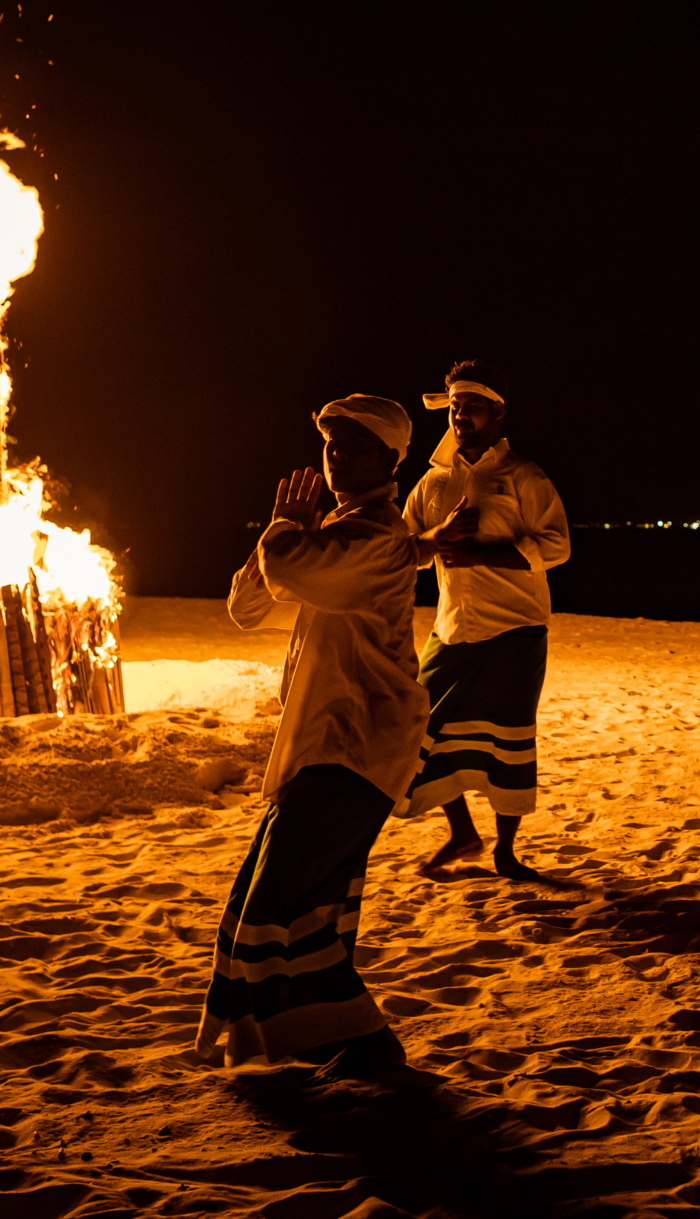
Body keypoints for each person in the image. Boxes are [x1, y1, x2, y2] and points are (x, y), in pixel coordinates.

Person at [196, 395, 427, 1080]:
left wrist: (286, 529)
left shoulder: (379, 534)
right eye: (331, 445)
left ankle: (363, 1041)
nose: (337, 457)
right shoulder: (334, 530)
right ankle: (336, 1042)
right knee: (286, 899)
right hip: (326, 744)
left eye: (354, 447)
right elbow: (246, 606)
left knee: (278, 901)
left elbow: (289, 568)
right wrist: (287, 528)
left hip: (358, 746)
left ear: (390, 461)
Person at [398, 360, 570, 882]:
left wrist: (481, 556)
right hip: (451, 630)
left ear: (497, 412)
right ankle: (462, 832)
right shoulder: (431, 485)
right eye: (454, 407)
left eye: (471, 407)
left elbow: (557, 546)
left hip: (515, 631)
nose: (460, 416)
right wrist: (438, 539)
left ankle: (505, 851)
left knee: (509, 742)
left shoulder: (524, 476)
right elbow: (404, 551)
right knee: (415, 730)